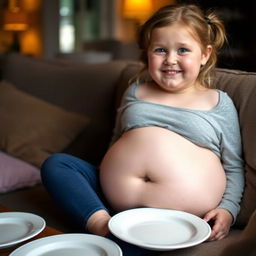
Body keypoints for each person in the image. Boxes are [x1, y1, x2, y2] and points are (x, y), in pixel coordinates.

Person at [41, 3, 244, 255]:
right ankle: (103, 227)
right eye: (160, 50)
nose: (170, 59)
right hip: (115, 202)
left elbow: (234, 166)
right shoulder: (135, 90)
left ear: (204, 54)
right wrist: (114, 175)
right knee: (57, 164)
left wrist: (228, 210)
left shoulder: (218, 102)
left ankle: (124, 242)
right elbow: (118, 140)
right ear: (148, 53)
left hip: (178, 216)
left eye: (183, 50)